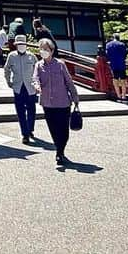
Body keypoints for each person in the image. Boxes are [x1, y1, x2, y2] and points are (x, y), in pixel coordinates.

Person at [33, 37, 81, 166]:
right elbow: (35, 79)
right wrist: (37, 86)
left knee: (63, 130)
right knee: (53, 129)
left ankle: (60, 151)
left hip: (63, 102)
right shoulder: (38, 65)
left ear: (52, 50)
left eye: (46, 49)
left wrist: (75, 98)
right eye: (41, 49)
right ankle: (59, 152)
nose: (44, 51)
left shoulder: (60, 64)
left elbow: (69, 81)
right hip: (47, 103)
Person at [3, 33, 37, 143]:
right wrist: (8, 81)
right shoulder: (11, 56)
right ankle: (25, 133)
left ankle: (30, 129)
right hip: (18, 86)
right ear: (16, 45)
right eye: (19, 44)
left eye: (23, 44)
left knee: (32, 110)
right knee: (20, 111)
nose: (21, 46)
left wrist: (38, 84)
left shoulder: (32, 56)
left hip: (30, 87)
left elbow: (38, 71)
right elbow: (6, 69)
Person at [105, 32, 128, 101]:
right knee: (123, 80)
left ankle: (118, 95)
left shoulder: (108, 45)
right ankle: (124, 96)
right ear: (119, 38)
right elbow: (125, 53)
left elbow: (107, 54)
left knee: (115, 79)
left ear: (113, 38)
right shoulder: (122, 44)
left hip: (113, 64)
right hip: (121, 64)